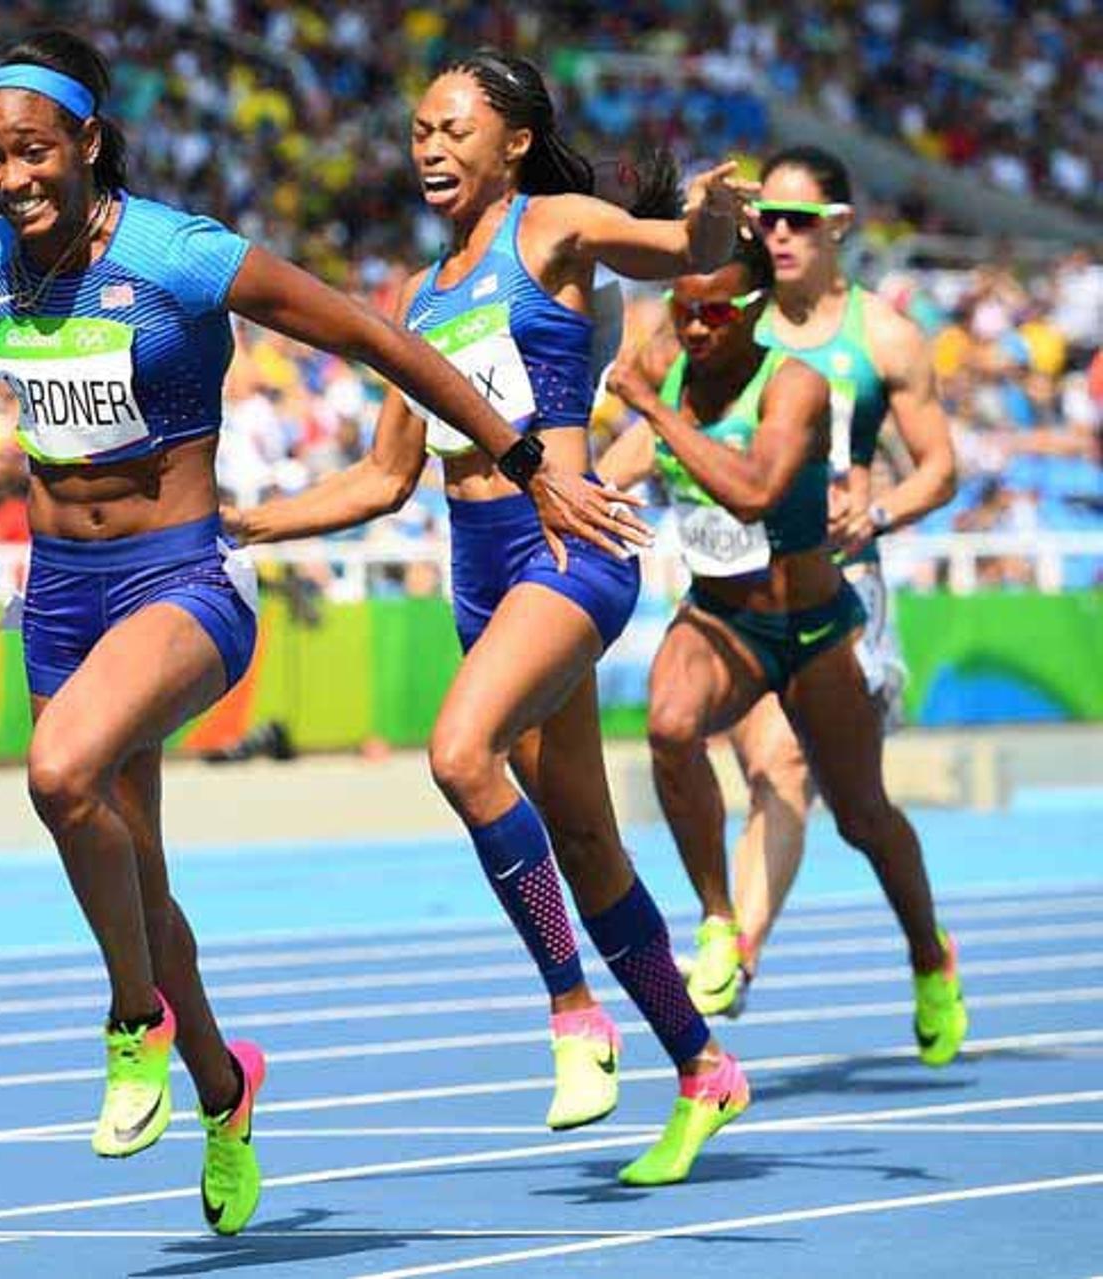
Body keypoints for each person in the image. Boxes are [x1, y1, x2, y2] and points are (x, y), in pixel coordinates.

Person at [0, 30, 647, 1234]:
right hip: (58, 591)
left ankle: (132, 1025)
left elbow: (379, 341)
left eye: (33, 153)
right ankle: (224, 1092)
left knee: (61, 775)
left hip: (177, 581)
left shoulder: (181, 253)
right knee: (141, 875)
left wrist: (523, 454)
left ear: (87, 142)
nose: (12, 178)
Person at [231, 50, 747, 1186]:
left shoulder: (553, 227)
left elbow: (680, 253)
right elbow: (379, 479)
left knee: (459, 753)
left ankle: (574, 1012)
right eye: (417, 128)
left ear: (512, 140)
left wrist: (709, 218)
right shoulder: (416, 300)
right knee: (586, 839)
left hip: (568, 553)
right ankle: (703, 1063)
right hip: (479, 571)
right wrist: (244, 524)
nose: (427, 145)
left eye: (451, 127)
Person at [600, 236, 968, 1069]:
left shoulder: (793, 385)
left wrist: (653, 413)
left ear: (756, 310)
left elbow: (756, 490)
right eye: (682, 310)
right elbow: (613, 472)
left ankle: (927, 954)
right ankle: (720, 919)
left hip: (809, 629)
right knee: (669, 726)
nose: (695, 328)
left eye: (716, 311)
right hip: (721, 618)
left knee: (863, 817)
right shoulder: (666, 370)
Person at [684, 146, 958, 1014]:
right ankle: (739, 954)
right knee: (775, 762)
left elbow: (940, 468)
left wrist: (877, 513)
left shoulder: (883, 335)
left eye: (797, 220)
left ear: (839, 227)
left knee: (861, 814)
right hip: (745, 591)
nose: (777, 234)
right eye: (766, 218)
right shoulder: (736, 322)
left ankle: (928, 950)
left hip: (846, 594)